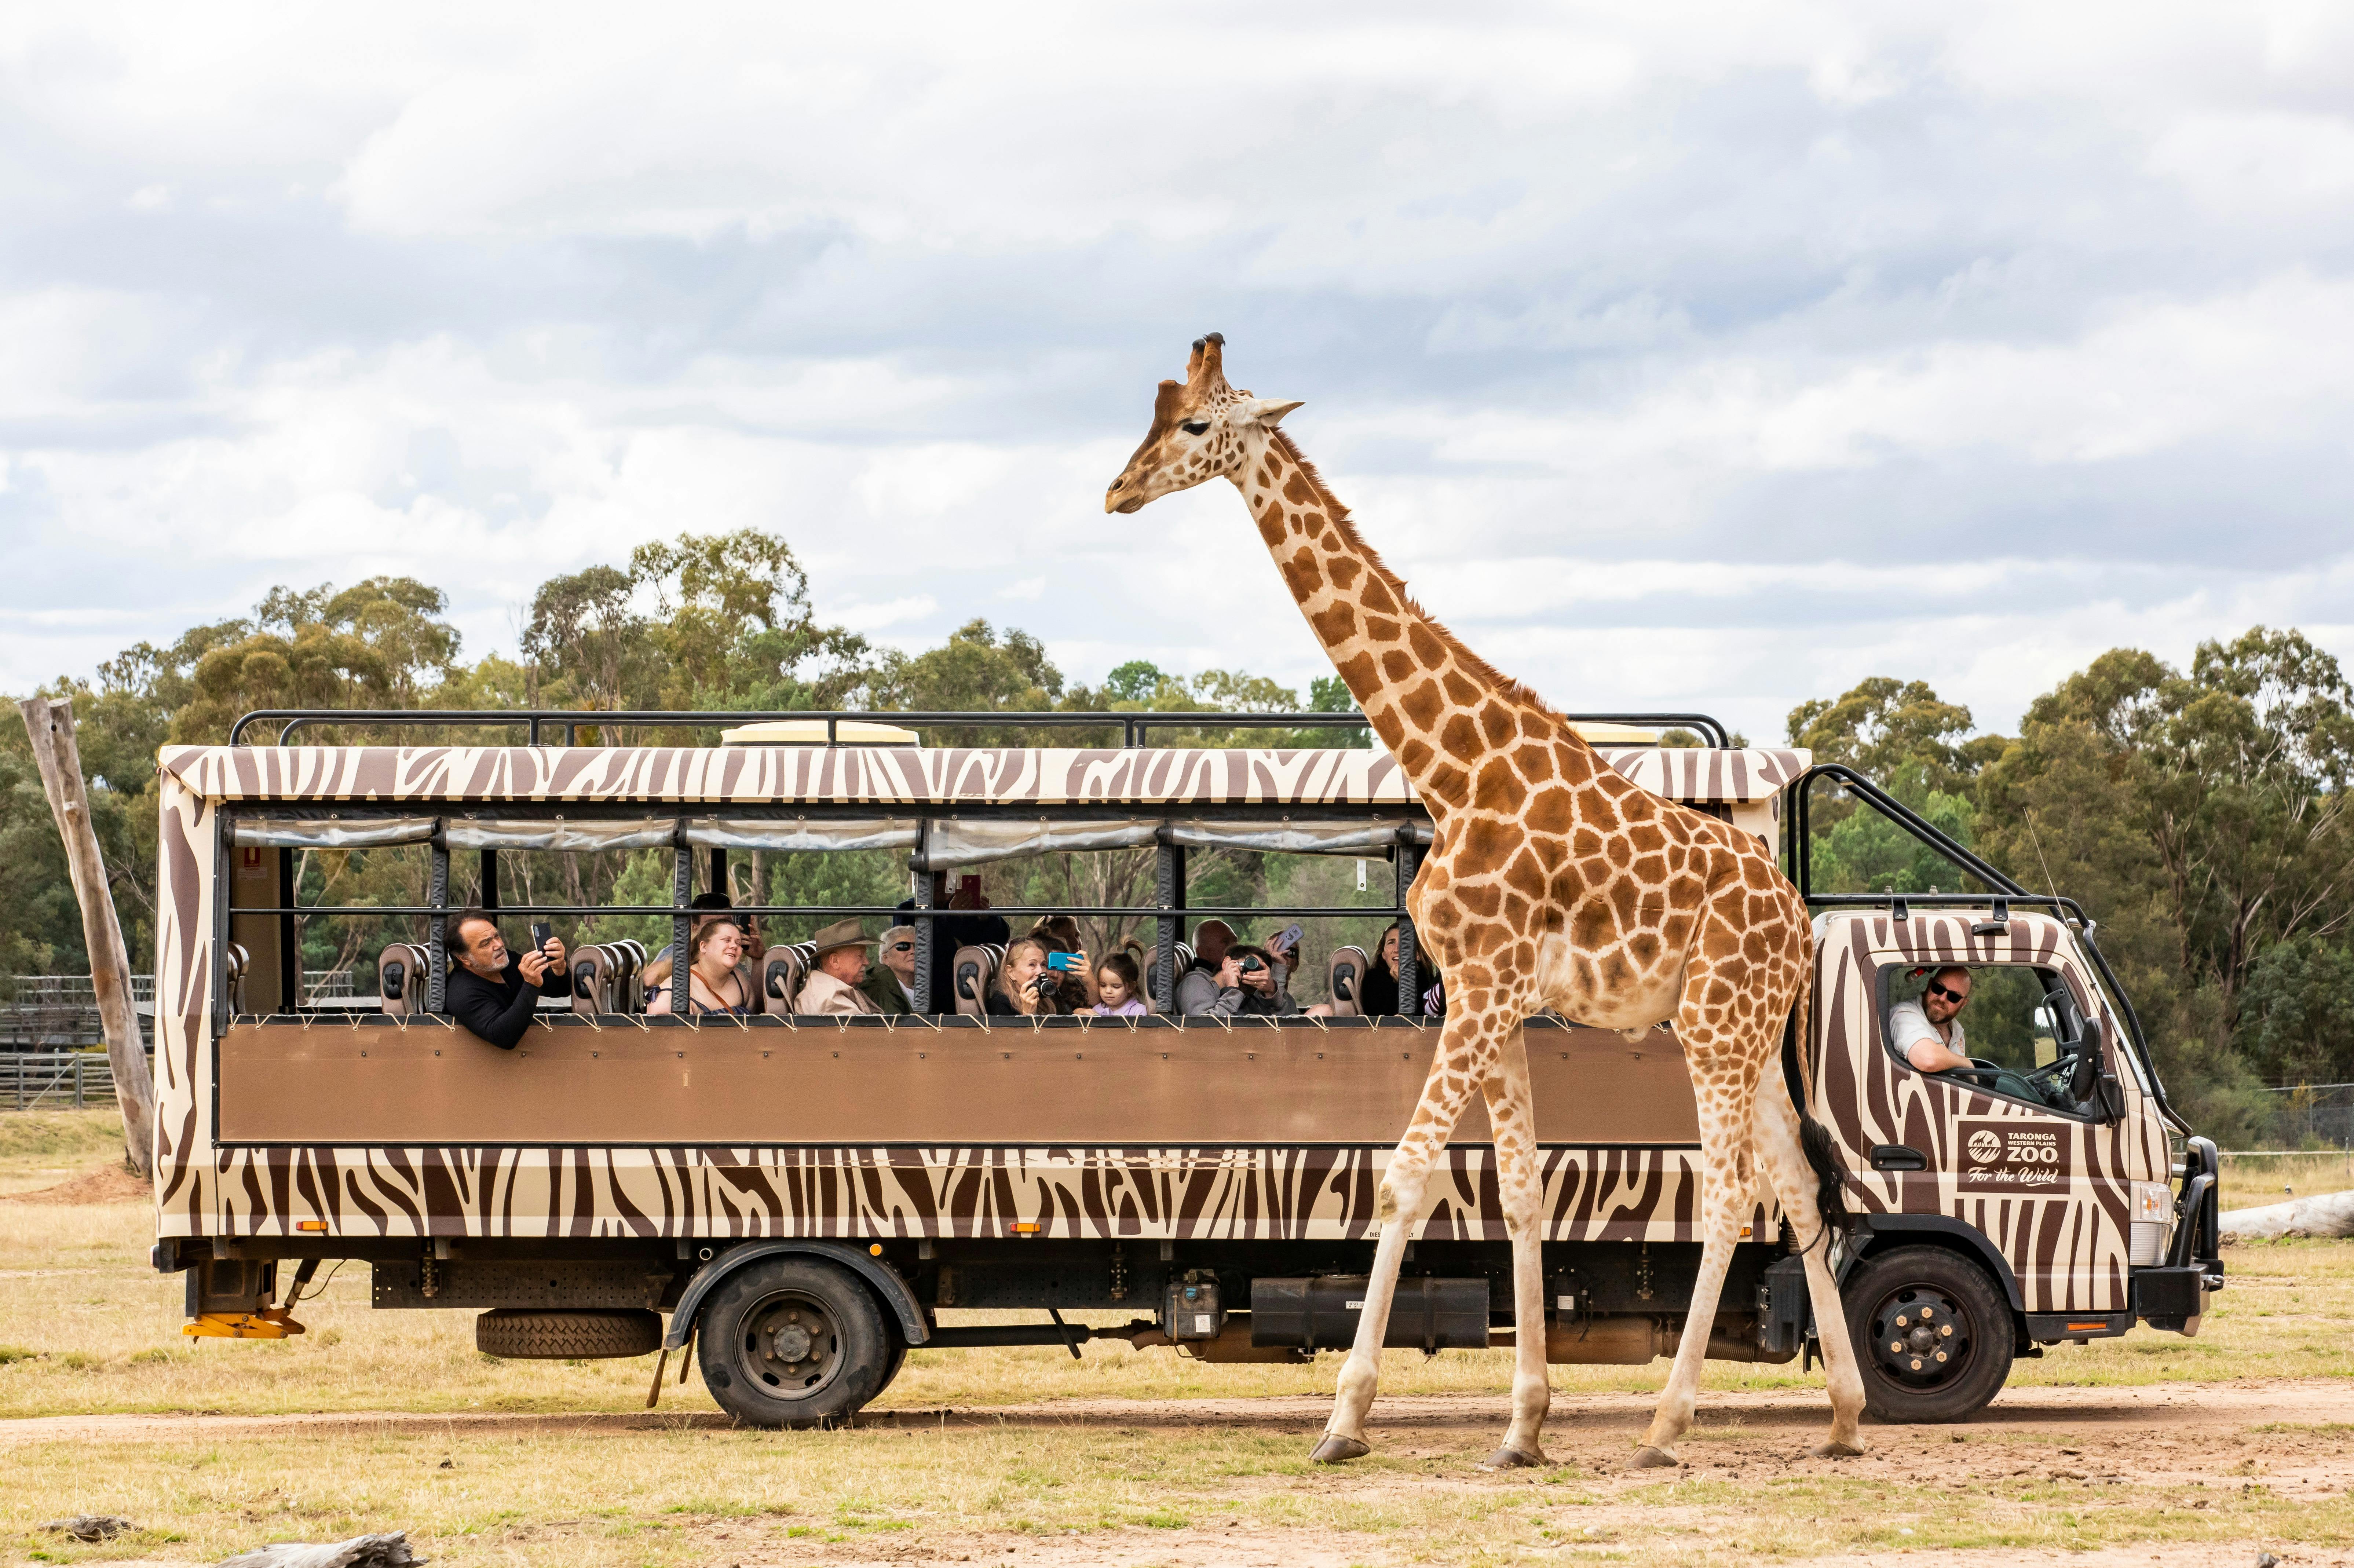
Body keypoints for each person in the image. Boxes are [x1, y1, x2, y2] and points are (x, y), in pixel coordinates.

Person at [445, 909, 567, 1049]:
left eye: (496, 936)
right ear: (464, 958)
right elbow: (505, 1037)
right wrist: (531, 984)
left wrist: (559, 966)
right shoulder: (461, 993)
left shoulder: (505, 961)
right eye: (485, 944)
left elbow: (559, 990)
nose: (498, 945)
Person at [902, 873, 1010, 1006]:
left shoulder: (964, 906)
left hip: (970, 984)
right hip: (929, 985)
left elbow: (999, 939)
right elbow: (921, 943)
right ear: (920, 882)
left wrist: (987, 918)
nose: (943, 883)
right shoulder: (908, 909)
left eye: (949, 878)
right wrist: (951, 914)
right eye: (936, 878)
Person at [639, 892, 748, 997]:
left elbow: (757, 1001)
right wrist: (692, 951)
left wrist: (758, 959)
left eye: (726, 922)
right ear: (696, 929)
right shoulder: (679, 950)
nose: (721, 929)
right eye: (711, 924)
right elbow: (649, 980)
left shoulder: (735, 951)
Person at [646, 919, 753, 1018]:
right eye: (727, 940)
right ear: (704, 947)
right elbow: (659, 1028)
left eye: (738, 943)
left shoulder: (741, 981)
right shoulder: (673, 992)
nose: (734, 946)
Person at [1890, 966, 1973, 1072]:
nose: (1942, 998)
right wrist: (1967, 1064)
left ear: (1963, 1004)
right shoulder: (1904, 1014)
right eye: (1938, 988)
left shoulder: (1956, 1030)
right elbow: (1928, 1059)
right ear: (1930, 984)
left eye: (1954, 996)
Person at [795, 918, 882, 1016]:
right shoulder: (831, 1002)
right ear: (835, 961)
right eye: (860, 956)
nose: (867, 962)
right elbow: (866, 1030)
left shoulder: (829, 989)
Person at [987, 936, 1071, 1017]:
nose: (1040, 971)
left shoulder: (1048, 994)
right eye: (1032, 965)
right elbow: (1010, 1032)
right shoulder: (1002, 1003)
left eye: (1043, 965)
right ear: (1011, 972)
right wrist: (1028, 1013)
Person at [860, 924, 918, 1015]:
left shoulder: (923, 990)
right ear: (886, 959)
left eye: (918, 946)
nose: (913, 951)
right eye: (903, 946)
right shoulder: (880, 990)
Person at [1357, 923, 1402, 1016]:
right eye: (1391, 942)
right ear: (1384, 955)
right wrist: (1400, 984)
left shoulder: (1427, 981)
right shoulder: (1373, 980)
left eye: (1404, 942)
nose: (1397, 949)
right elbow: (1381, 1020)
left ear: (1417, 954)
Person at [1090, 951, 1148, 1017]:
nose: (1108, 991)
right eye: (1103, 986)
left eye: (1116, 987)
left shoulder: (1139, 1012)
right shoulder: (1096, 1011)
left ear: (1131, 987)